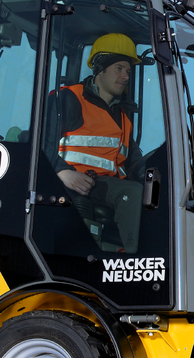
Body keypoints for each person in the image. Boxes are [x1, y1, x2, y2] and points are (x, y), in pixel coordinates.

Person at [43, 33, 144, 252]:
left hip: (104, 186)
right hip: (69, 182)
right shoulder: (69, 99)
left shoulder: (123, 115)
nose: (125, 76)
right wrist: (62, 172)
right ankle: (132, 260)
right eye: (119, 68)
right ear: (100, 68)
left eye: (128, 70)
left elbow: (135, 161)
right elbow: (42, 144)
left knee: (149, 193)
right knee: (133, 193)